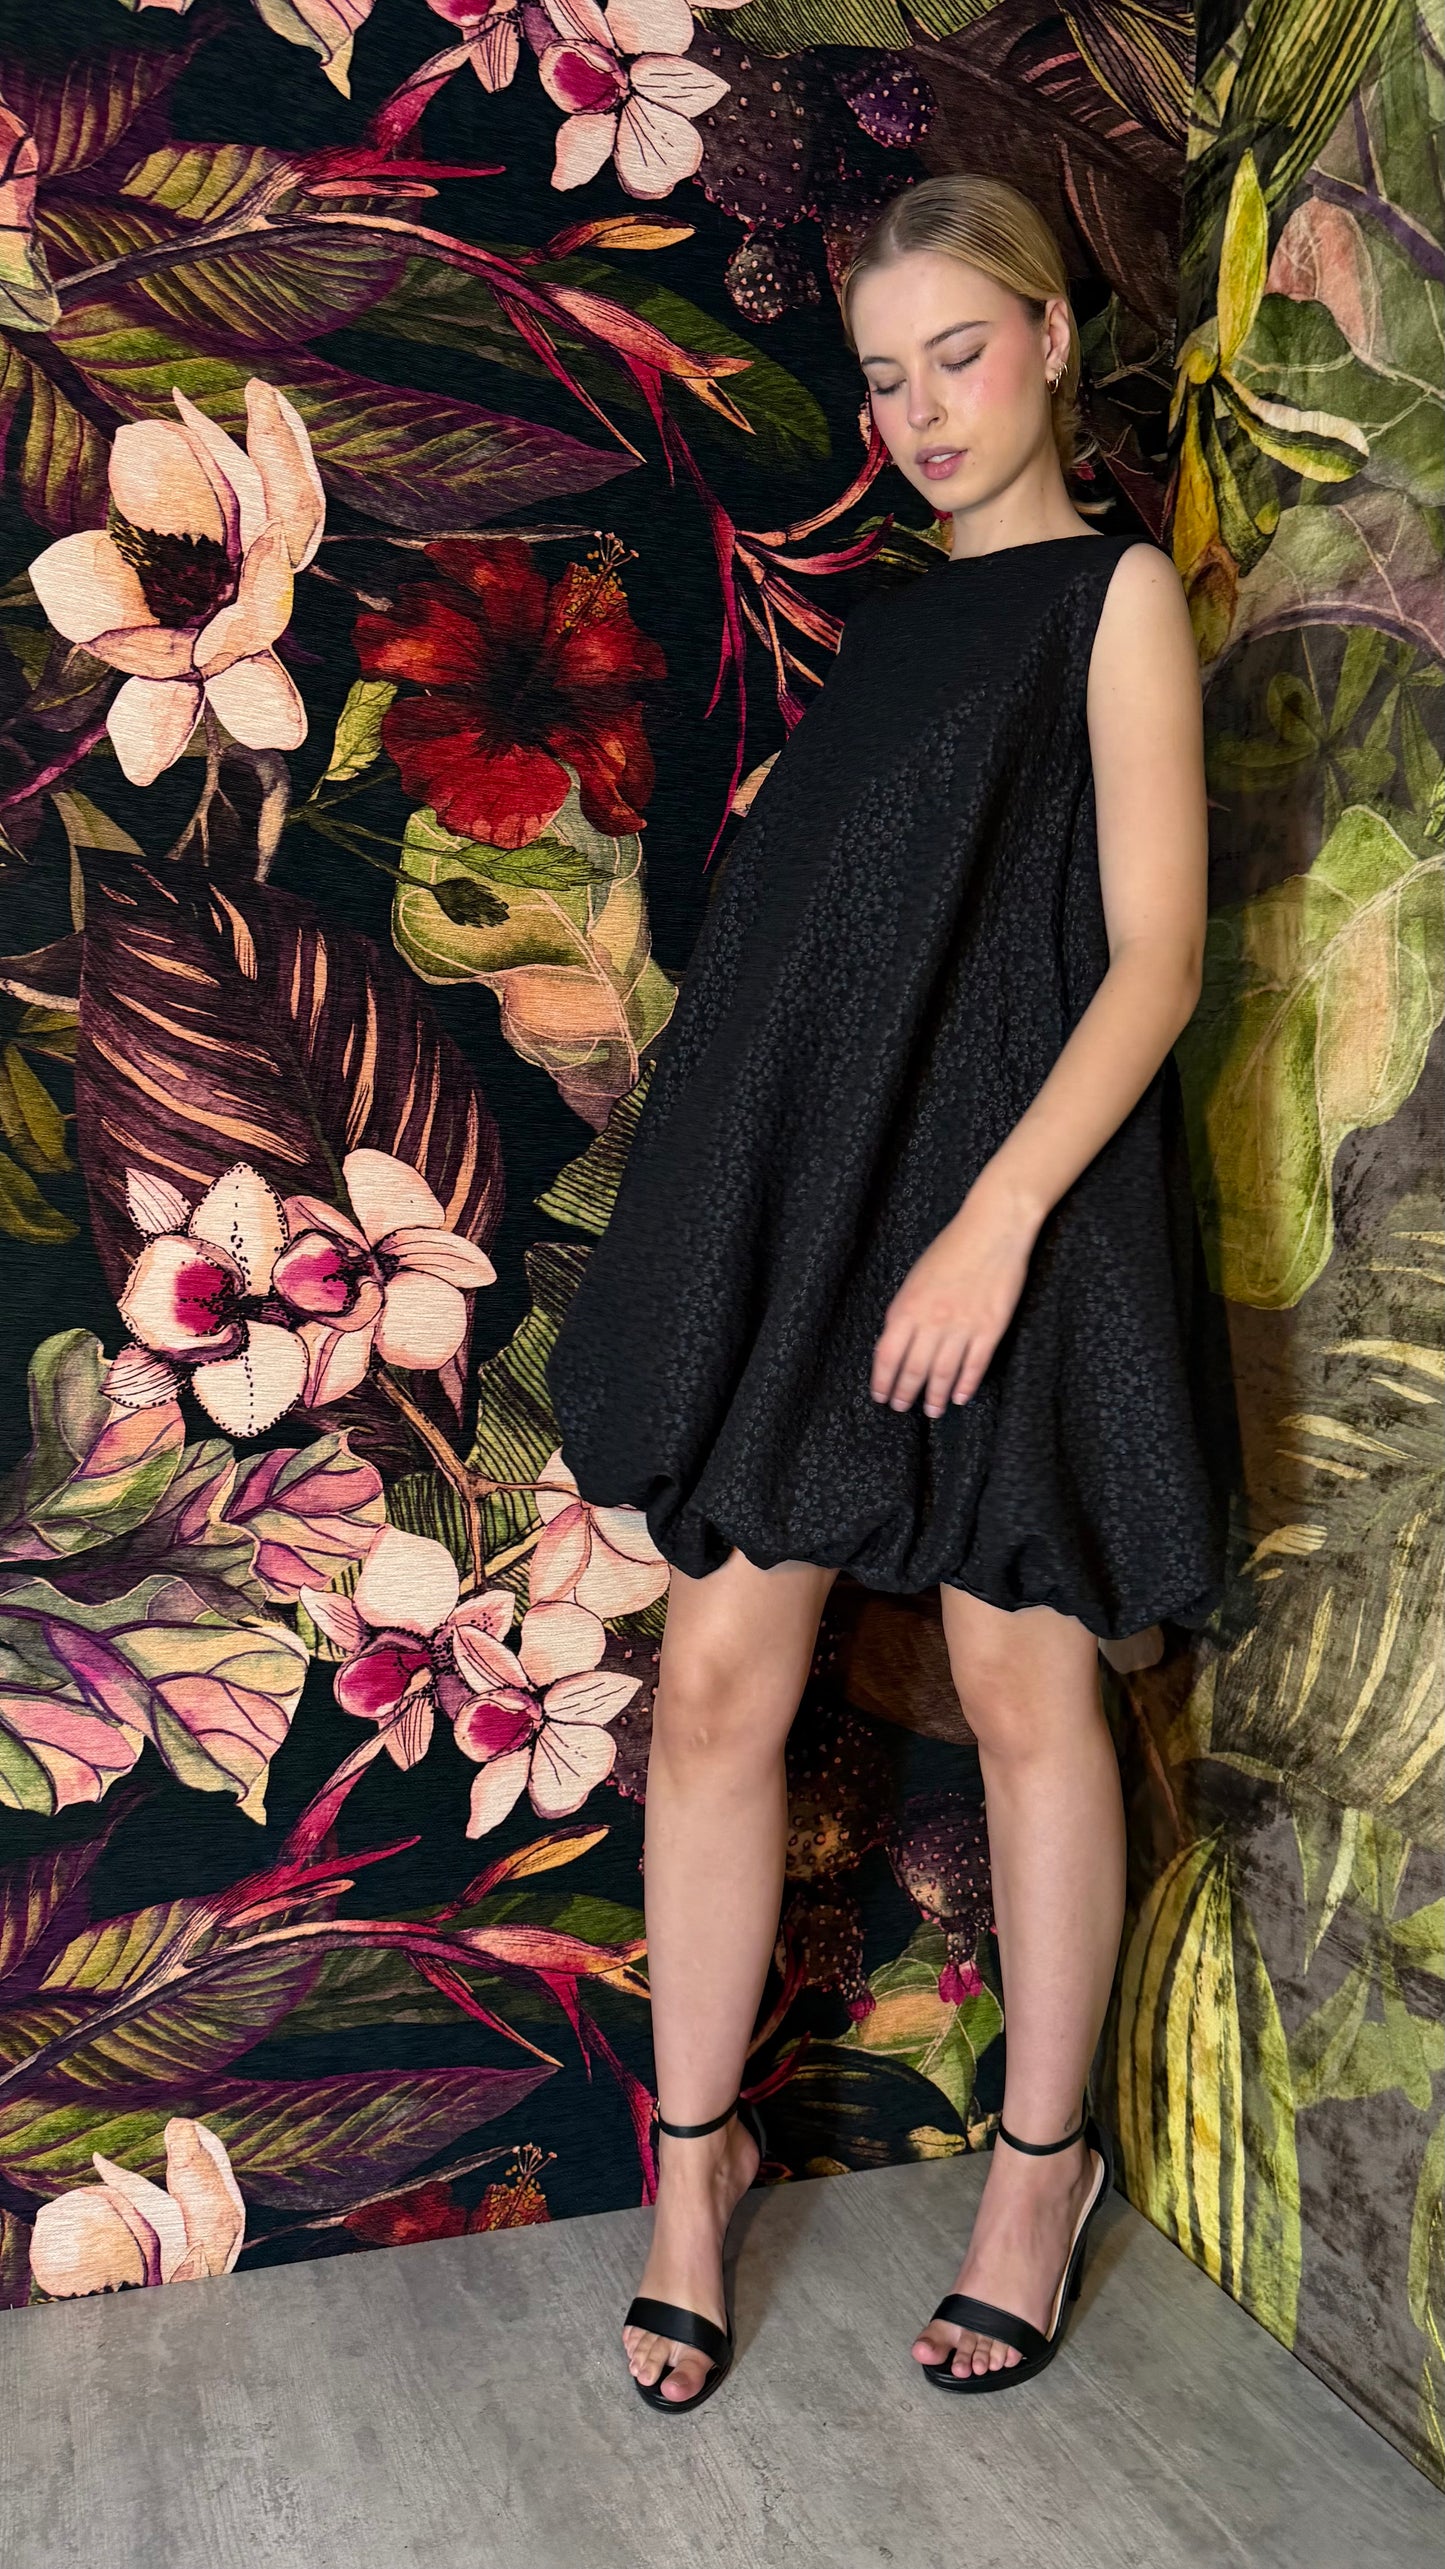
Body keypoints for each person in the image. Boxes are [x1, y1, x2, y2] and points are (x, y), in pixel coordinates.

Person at [544, 170, 1238, 2412]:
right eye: (883, 377)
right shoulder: (885, 635)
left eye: (960, 353)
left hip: (1013, 1219)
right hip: (836, 1228)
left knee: (1028, 1682)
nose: (924, 410)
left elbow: (1153, 958)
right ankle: (693, 2172)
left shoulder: (1112, 596)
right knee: (717, 1684)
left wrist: (995, 1220)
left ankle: (1037, 2176)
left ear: (1049, 341)